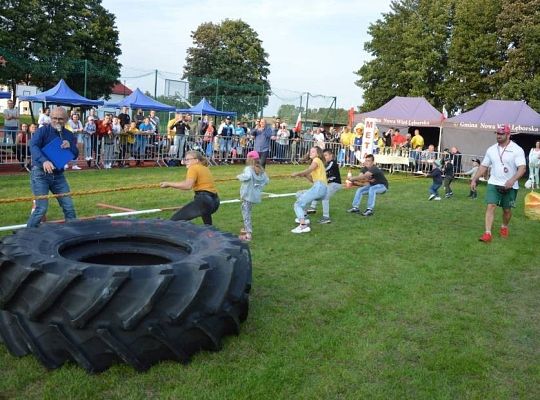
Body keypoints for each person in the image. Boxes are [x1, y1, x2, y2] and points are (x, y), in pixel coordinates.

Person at [471, 124, 526, 242]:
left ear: (508, 135)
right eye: (497, 133)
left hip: (510, 185)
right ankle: (487, 233)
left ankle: (504, 226)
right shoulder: (491, 149)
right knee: (490, 206)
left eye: (502, 134)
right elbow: (484, 166)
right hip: (494, 183)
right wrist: (474, 179)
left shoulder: (517, 149)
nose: (499, 136)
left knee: (507, 210)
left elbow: (522, 168)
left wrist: (512, 180)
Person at [27, 107, 78, 228]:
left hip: (58, 175)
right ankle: (25, 236)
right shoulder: (42, 131)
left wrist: (70, 146)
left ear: (66, 120)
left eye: (61, 119)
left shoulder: (69, 134)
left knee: (69, 207)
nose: (57, 121)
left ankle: (74, 235)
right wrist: (44, 161)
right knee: (41, 209)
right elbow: (33, 146)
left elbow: (75, 153)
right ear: (50, 118)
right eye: (54, 118)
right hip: (40, 174)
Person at [160, 150, 220, 225]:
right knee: (205, 215)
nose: (186, 162)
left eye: (188, 160)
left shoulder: (193, 168)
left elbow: (187, 186)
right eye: (185, 160)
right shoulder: (205, 168)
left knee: (173, 221)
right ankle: (210, 232)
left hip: (204, 201)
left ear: (196, 160)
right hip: (215, 202)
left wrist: (168, 184)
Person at [290, 146, 328, 233]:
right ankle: (305, 217)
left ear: (318, 154)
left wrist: (297, 173)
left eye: (313, 152)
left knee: (298, 204)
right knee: (299, 194)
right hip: (321, 189)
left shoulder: (317, 160)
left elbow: (309, 170)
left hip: (319, 187)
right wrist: (305, 175)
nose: (311, 153)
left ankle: (303, 225)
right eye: (310, 151)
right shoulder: (318, 162)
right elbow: (312, 180)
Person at [237, 150, 269, 241]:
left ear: (249, 159)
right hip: (255, 195)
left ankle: (248, 234)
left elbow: (247, 177)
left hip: (247, 195)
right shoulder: (261, 169)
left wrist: (239, 176)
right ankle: (246, 228)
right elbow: (266, 181)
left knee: (246, 213)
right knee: (248, 211)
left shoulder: (249, 169)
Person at [306, 148, 342, 224]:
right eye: (323, 155)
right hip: (328, 183)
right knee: (317, 191)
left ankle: (326, 217)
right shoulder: (325, 164)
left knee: (325, 197)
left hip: (335, 183)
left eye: (326, 155)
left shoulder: (333, 162)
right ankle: (312, 207)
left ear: (331, 155)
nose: (324, 157)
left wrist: (317, 168)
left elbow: (324, 170)